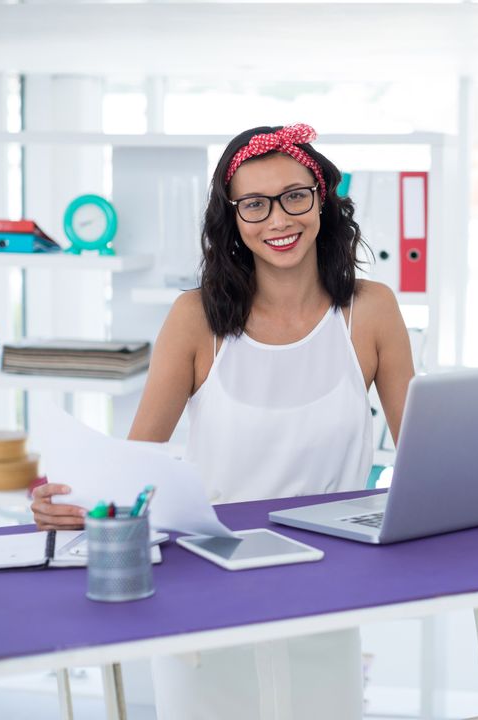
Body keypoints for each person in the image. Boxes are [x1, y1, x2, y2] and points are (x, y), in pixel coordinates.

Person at [30, 123, 416, 719]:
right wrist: (73, 503)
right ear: (231, 219)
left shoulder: (370, 311)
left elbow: (422, 458)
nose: (278, 219)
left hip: (328, 591)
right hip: (210, 591)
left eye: (295, 196)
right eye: (254, 205)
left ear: (322, 200)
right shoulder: (195, 318)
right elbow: (137, 464)